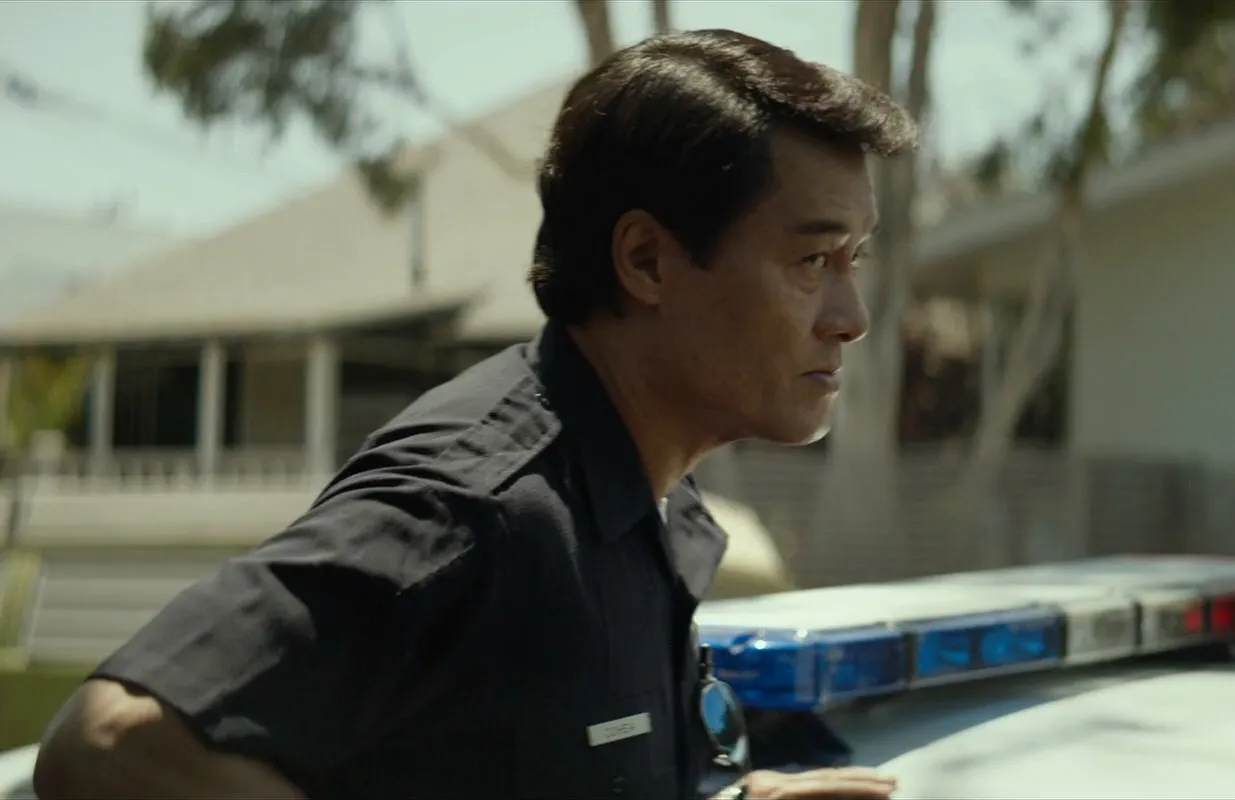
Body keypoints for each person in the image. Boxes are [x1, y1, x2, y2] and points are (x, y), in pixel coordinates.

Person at [32, 29, 914, 800]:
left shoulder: (653, 503)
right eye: (812, 261)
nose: (851, 316)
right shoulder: (472, 512)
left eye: (855, 260)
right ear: (647, 260)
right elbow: (107, 746)